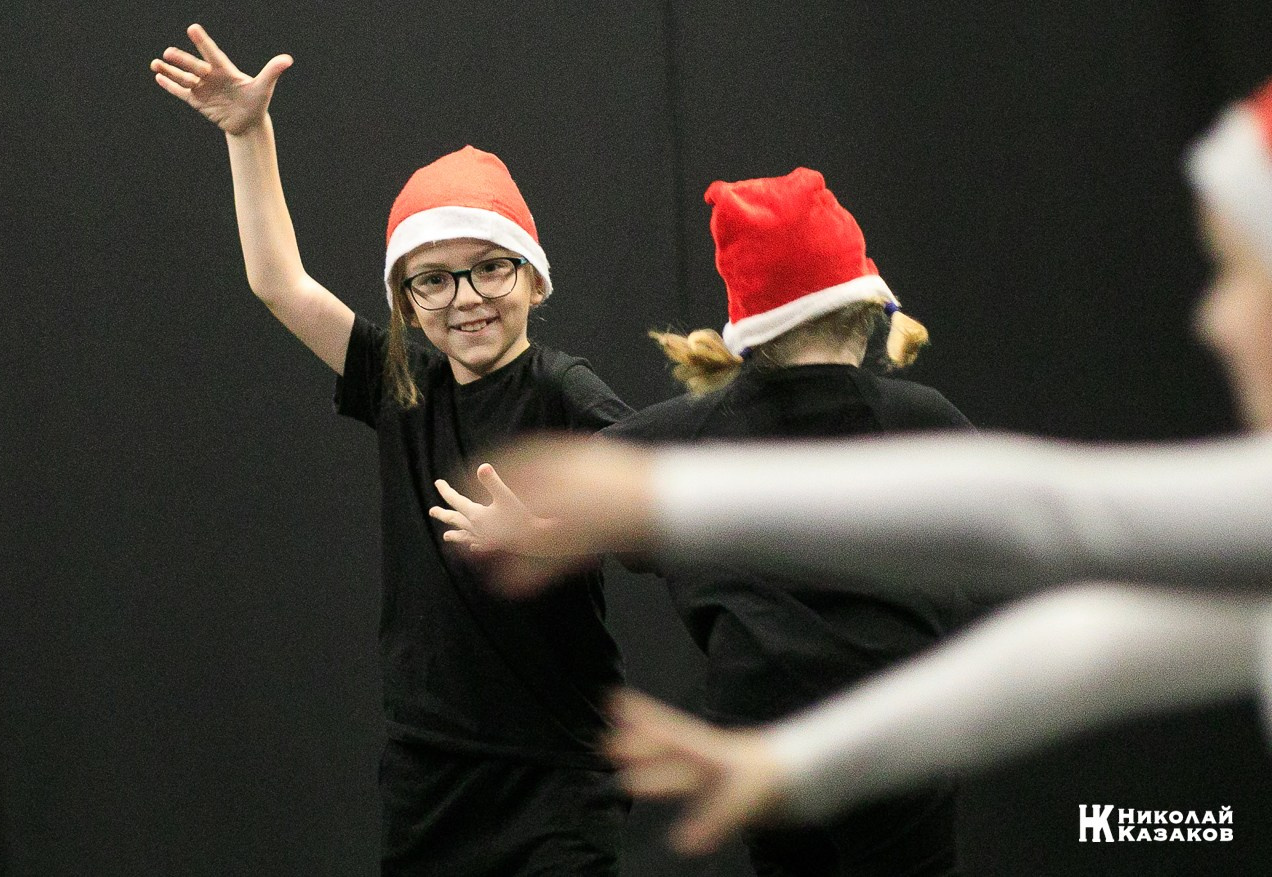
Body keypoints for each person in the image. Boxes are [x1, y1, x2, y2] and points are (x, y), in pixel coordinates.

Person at [462, 77, 1272, 852]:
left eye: (1240, 271)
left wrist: (662, 500)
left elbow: (1037, 514)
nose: (1213, 317)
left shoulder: (740, 432)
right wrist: (792, 764)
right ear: (863, 307)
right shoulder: (886, 419)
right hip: (812, 759)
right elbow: (1085, 637)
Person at [150, 24, 633, 876]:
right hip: (431, 774)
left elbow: (650, 500)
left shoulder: (564, 389)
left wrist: (544, 535)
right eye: (432, 280)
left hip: (557, 772)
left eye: (490, 268)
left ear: (533, 277)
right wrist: (249, 135)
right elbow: (279, 283)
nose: (466, 298)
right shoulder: (401, 382)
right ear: (406, 301)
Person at [435, 168, 973, 876]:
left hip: (762, 736)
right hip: (898, 726)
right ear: (865, 309)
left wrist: (528, 529)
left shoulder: (680, 434)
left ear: (750, 331)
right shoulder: (924, 418)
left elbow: (588, 502)